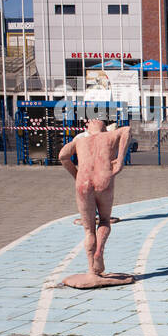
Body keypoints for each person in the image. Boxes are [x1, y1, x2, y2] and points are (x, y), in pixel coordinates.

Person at [58, 117, 130, 282]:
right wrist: (120, 160)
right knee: (104, 220)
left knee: (88, 229)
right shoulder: (109, 136)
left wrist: (76, 175)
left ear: (89, 129)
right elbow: (127, 131)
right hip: (103, 180)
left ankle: (91, 268)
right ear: (104, 128)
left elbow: (62, 156)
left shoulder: (80, 141)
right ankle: (99, 251)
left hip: (83, 182)